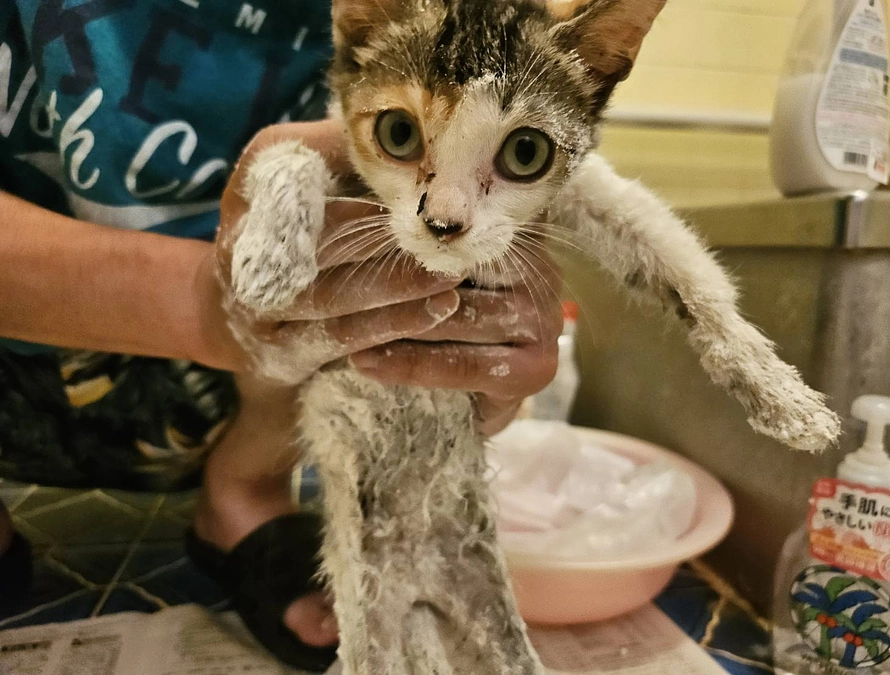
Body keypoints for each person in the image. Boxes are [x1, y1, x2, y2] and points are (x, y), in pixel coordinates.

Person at [0, 1, 561, 669]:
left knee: (364, 269)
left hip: (254, 389)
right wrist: (202, 304)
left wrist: (480, 318)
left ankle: (246, 489)